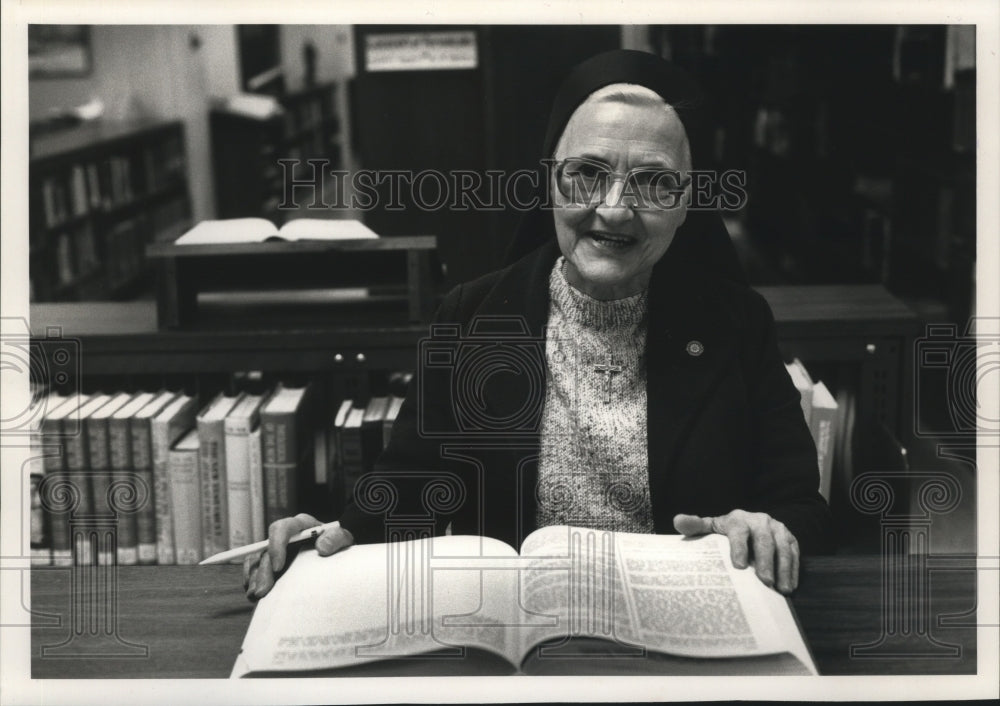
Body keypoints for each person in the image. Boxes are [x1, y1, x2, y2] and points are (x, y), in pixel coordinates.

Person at [244, 50, 833, 602]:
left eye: (654, 182)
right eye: (587, 173)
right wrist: (331, 536)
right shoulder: (471, 317)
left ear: (685, 203)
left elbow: (800, 508)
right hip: (515, 626)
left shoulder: (738, 324)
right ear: (550, 181)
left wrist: (767, 529)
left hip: (682, 617)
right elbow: (408, 493)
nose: (614, 209)